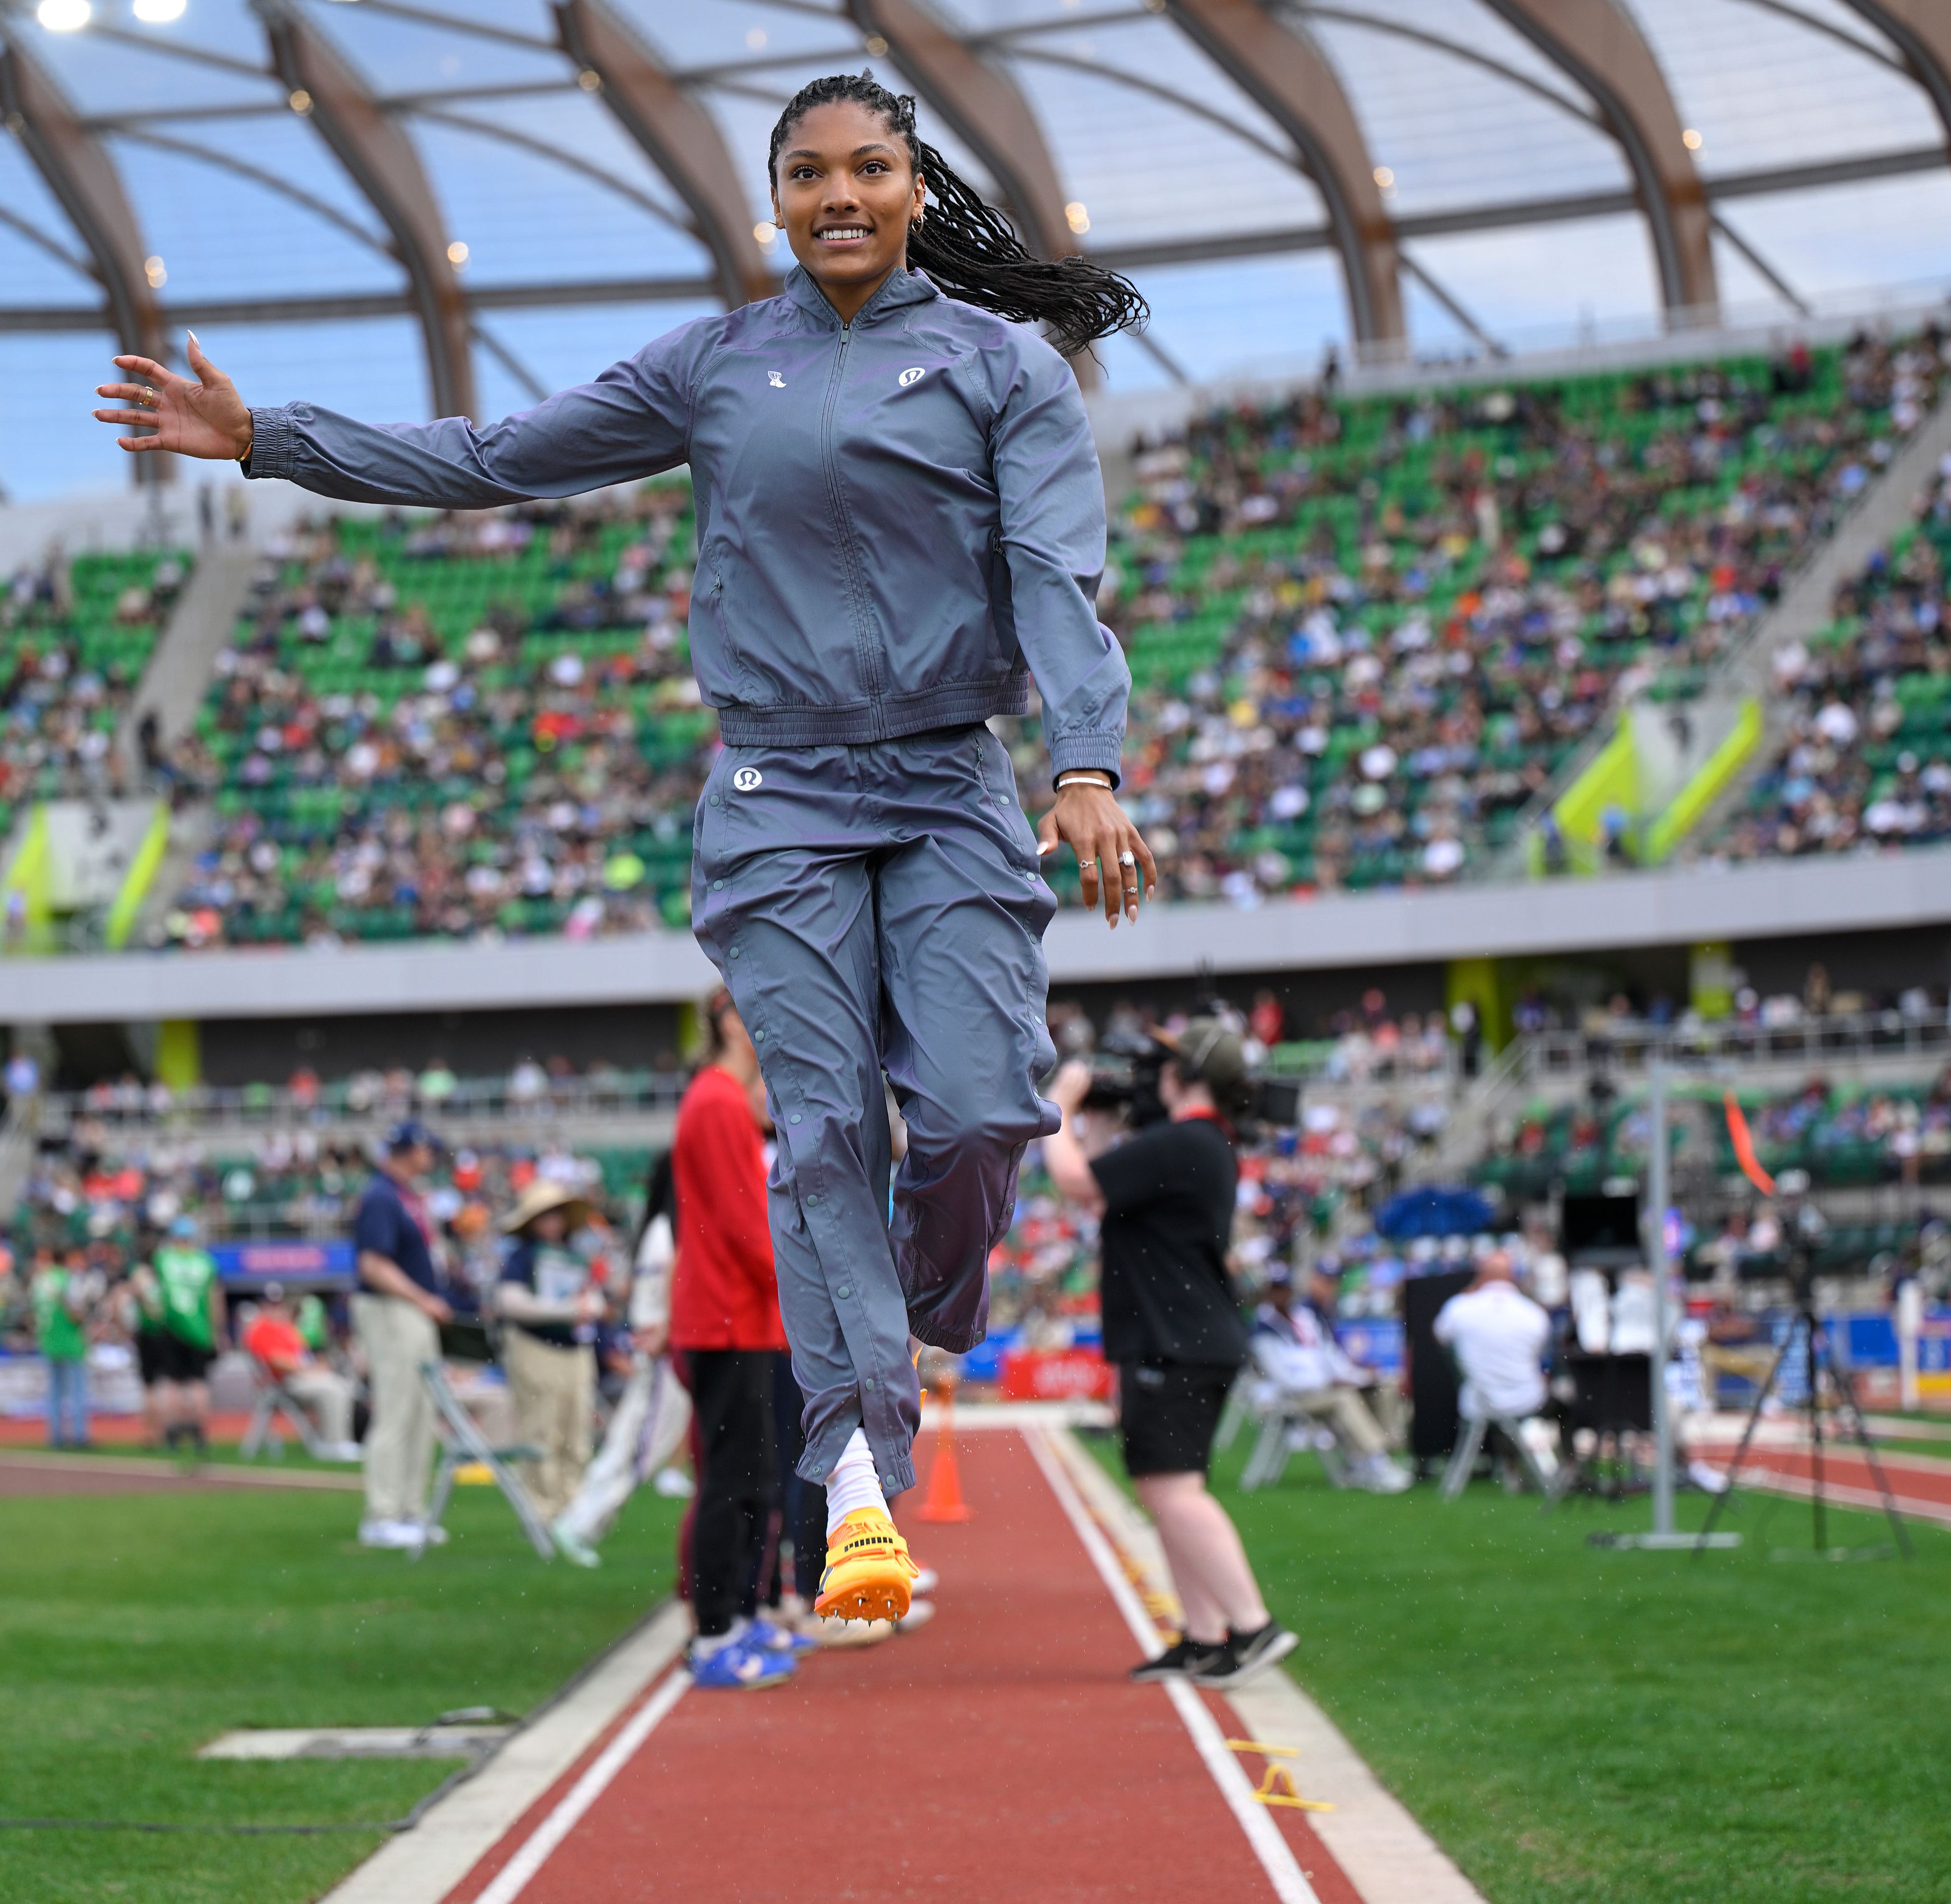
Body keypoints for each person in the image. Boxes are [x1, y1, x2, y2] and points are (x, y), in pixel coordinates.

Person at [93, 68, 1159, 1629]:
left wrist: (1083, 759)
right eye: (809, 174)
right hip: (779, 796)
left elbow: (1055, 568)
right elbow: (492, 455)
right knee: (817, 1129)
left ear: (915, 185)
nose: (840, 196)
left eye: (871, 168)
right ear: (774, 197)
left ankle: (927, 1299)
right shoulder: (715, 366)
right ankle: (858, 1473)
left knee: (986, 1107)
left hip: (947, 783)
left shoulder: (1003, 367)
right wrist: (271, 439)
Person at [1043, 1020, 1298, 1689]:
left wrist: (1061, 1104)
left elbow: (1073, 1179)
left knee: (1170, 1489)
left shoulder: (1184, 1140)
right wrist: (1096, 1123)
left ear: (1182, 1077)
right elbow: (1103, 1187)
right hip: (1184, 1336)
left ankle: (1250, 1624)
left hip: (1173, 1339)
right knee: (1170, 1488)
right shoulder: (1198, 1142)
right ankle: (1204, 1637)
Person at [669, 989, 803, 1689]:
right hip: (725, 1318)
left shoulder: (726, 1101)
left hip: (741, 1316)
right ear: (729, 1019)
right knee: (733, 1480)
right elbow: (744, 1226)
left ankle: (740, 1617)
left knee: (754, 1476)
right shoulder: (718, 1102)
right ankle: (715, 1630)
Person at [551, 1151, 694, 1567]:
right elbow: (660, 1297)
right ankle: (580, 1523)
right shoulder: (668, 1229)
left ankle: (579, 1520)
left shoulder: (661, 1226)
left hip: (660, 1345)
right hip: (663, 1347)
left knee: (631, 1441)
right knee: (639, 1447)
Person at [351, 1120, 459, 1550]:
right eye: (425, 1149)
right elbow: (373, 1265)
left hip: (413, 1309)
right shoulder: (381, 1195)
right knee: (397, 1409)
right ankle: (382, 1514)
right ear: (407, 1150)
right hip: (392, 1307)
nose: (430, 1156)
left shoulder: (406, 1195)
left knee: (420, 1411)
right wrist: (422, 1298)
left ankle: (412, 1510)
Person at [494, 1181, 607, 1521]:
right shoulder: (522, 1257)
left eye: (556, 1215)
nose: (552, 1223)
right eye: (545, 1216)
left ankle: (571, 1504)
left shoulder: (575, 1256)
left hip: (575, 1350)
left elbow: (595, 1298)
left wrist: (586, 1309)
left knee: (576, 1430)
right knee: (542, 1427)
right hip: (535, 1347)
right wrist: (563, 1311)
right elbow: (508, 1301)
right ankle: (541, 1508)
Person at [1250, 1272, 1410, 1492]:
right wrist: (1329, 1382)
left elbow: (1329, 1356)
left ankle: (1373, 1456)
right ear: (1267, 1294)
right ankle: (1376, 1461)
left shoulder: (1304, 1319)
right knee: (1344, 1398)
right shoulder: (1263, 1331)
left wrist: (1358, 1376)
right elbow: (1284, 1379)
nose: (1282, 1295)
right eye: (1276, 1290)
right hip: (1291, 1399)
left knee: (1381, 1387)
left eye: (1285, 1289)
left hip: (1323, 1390)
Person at [1433, 1247, 1555, 1483]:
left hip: (1479, 1399)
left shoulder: (1459, 1307)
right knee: (1552, 1409)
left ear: (1482, 1274)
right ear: (1512, 1276)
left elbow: (1440, 1336)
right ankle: (1545, 1471)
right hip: (1525, 1398)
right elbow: (1540, 1358)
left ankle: (1512, 1470)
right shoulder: (1533, 1314)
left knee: (1505, 1418)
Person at [241, 1281, 361, 1460]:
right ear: (262, 1304)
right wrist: (306, 1368)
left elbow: (305, 1356)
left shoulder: (287, 1328)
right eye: (271, 1303)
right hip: (285, 1382)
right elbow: (275, 1361)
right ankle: (335, 1444)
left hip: (303, 1376)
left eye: (278, 1303)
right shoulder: (259, 1328)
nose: (276, 1308)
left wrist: (319, 1366)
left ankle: (337, 1440)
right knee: (332, 1389)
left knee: (344, 1384)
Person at [142, 1216, 223, 1456]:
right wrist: (216, 1331)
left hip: (173, 1328)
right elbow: (214, 1299)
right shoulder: (205, 1262)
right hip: (200, 1331)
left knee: (174, 1384)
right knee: (199, 1384)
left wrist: (152, 1317)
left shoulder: (164, 1259)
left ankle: (174, 1433)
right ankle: (200, 1434)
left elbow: (148, 1289)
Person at [32, 1247, 93, 1450]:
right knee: (77, 1390)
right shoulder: (66, 1279)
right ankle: (78, 1435)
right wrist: (84, 1320)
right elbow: (74, 1311)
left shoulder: (40, 1281)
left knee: (55, 1391)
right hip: (70, 1341)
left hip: (48, 1340)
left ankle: (55, 1436)